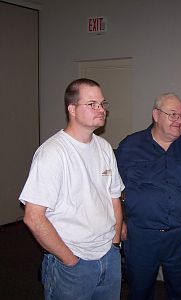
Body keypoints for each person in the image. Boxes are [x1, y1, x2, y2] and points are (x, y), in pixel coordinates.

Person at [19, 78, 124, 300]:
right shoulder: (52, 153)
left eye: (103, 103)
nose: (101, 109)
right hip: (72, 263)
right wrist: (70, 260)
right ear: (72, 109)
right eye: (92, 104)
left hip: (108, 257)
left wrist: (114, 245)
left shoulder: (104, 147)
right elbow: (33, 217)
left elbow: (114, 197)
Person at [116, 92, 181, 300]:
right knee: (139, 292)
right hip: (140, 236)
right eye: (173, 114)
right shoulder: (130, 146)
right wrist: (119, 221)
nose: (179, 120)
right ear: (155, 115)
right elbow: (113, 188)